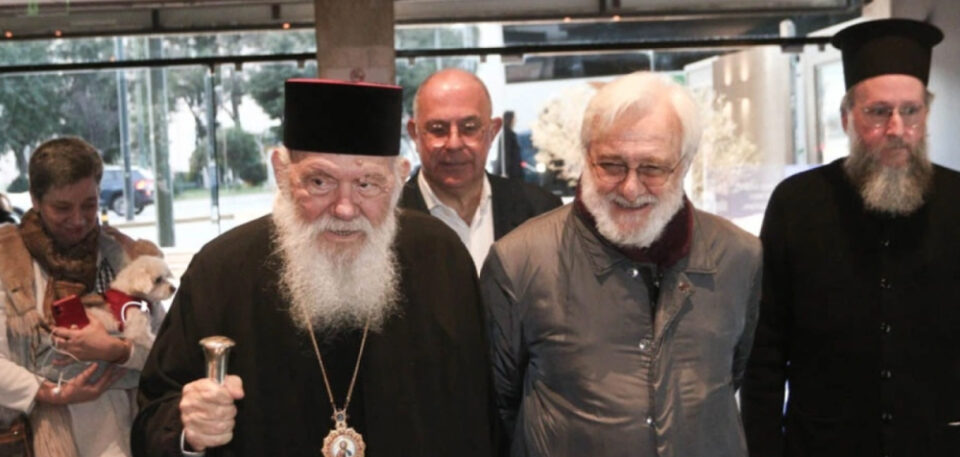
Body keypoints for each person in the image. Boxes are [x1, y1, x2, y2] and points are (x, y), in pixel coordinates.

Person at [131, 79, 499, 457]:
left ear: (398, 178)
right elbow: (154, 413)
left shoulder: (441, 259)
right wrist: (188, 428)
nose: (345, 208)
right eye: (320, 181)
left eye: (367, 184)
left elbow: (477, 412)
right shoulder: (221, 270)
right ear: (282, 173)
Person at [481, 71, 762, 457]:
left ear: (684, 164)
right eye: (611, 165)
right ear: (586, 157)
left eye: (652, 168)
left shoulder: (739, 256)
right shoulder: (519, 261)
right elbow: (499, 408)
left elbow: (732, 377)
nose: (630, 188)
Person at [740, 18, 958, 457]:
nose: (896, 129)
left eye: (910, 111)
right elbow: (764, 352)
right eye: (878, 112)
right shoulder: (795, 204)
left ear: (926, 114)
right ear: (846, 117)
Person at [0, 137, 165, 457]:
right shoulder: (7, 260)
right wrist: (49, 392)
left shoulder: (126, 256)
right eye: (62, 208)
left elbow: (167, 351)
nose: (78, 220)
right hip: (40, 439)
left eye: (89, 204)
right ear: (35, 199)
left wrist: (118, 351)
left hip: (126, 437)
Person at [402, 68, 562, 272]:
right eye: (438, 129)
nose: (454, 144)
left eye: (469, 128)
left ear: (493, 131)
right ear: (414, 134)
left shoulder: (540, 213)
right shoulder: (387, 220)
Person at [500, 111, 524, 181]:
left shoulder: (509, 134)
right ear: (510, 119)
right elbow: (506, 154)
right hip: (512, 173)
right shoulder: (507, 135)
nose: (516, 121)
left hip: (513, 171)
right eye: (514, 118)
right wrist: (506, 172)